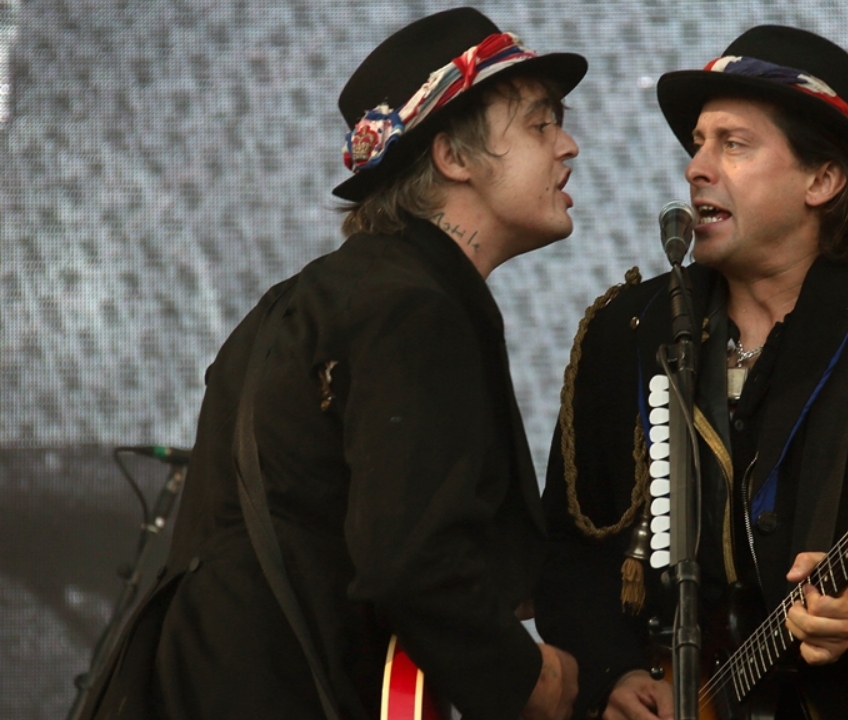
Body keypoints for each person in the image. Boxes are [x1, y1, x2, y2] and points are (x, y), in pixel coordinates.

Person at [80, 8, 583, 720]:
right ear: (454, 157)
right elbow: (412, 565)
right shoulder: (413, 308)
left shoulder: (313, 300)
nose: (570, 146)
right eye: (540, 124)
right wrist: (531, 680)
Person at [535, 24, 848, 720]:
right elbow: (570, 546)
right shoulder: (631, 326)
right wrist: (612, 673)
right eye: (698, 144)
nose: (696, 167)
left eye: (734, 144)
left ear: (824, 177)